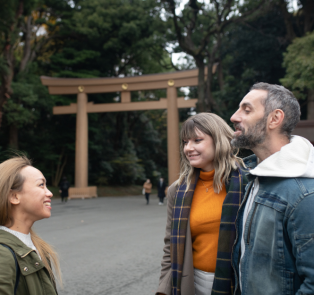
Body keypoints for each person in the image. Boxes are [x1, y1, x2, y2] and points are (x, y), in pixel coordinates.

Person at [230, 82, 314, 295]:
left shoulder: (305, 194)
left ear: (275, 119)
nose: (234, 116)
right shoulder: (256, 176)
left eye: (246, 110)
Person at [157, 113, 248, 295]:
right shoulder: (178, 190)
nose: (188, 148)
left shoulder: (248, 183)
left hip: (239, 280)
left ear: (218, 140)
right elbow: (170, 246)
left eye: (197, 140)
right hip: (193, 282)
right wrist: (164, 289)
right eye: (185, 142)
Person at [0, 156, 62, 294]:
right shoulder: (3, 255)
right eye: (41, 185)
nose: (50, 193)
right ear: (14, 197)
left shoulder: (39, 249)